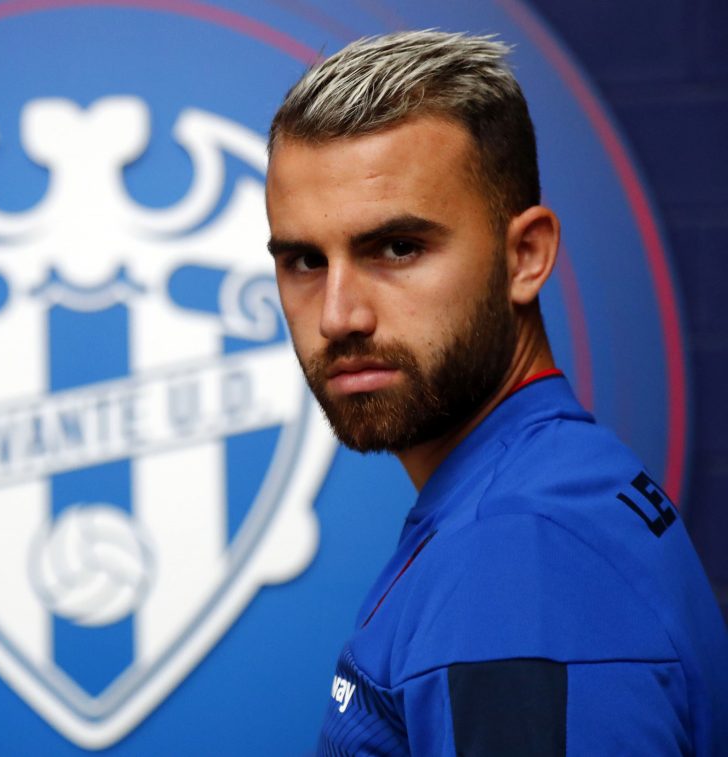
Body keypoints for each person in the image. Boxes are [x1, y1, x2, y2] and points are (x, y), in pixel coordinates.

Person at [265, 30, 728, 756]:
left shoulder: (517, 553)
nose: (338, 316)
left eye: (398, 248)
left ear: (526, 256)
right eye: (303, 261)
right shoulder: (542, 493)